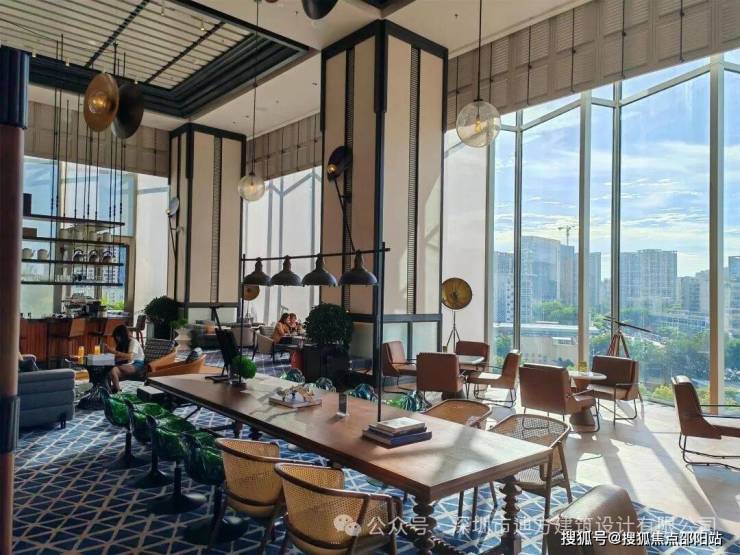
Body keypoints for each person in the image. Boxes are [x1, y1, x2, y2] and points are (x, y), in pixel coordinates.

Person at [107, 325, 145, 392]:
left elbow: (129, 356)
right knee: (111, 370)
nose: (117, 338)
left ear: (123, 335)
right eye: (116, 336)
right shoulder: (122, 343)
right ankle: (115, 390)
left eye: (118, 336)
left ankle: (116, 390)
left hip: (137, 364)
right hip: (127, 364)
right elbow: (121, 357)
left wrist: (113, 351)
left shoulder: (133, 341)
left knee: (111, 368)